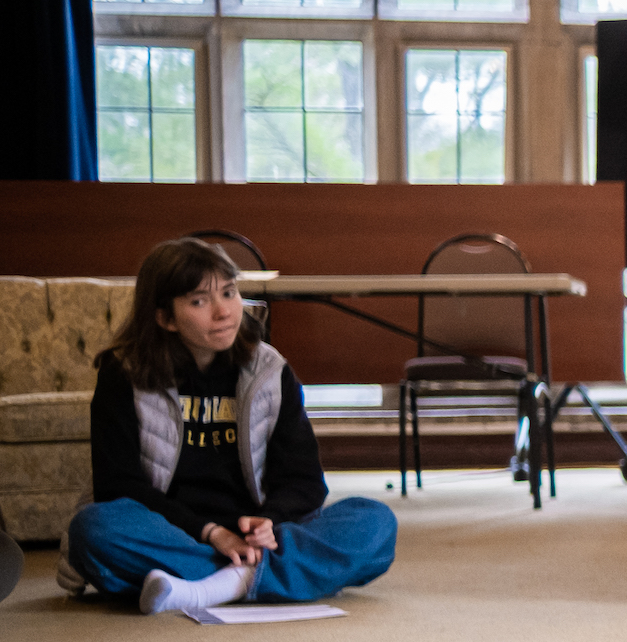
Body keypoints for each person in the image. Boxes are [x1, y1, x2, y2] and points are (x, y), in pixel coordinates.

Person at [60, 236, 397, 613]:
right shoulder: (124, 373)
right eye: (199, 301)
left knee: (375, 521)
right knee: (94, 529)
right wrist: (212, 533)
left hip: (258, 535)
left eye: (229, 292)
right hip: (177, 533)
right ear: (165, 318)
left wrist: (269, 522)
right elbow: (117, 485)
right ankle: (263, 578)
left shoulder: (269, 370)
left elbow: (303, 481)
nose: (224, 312)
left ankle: (209, 587)